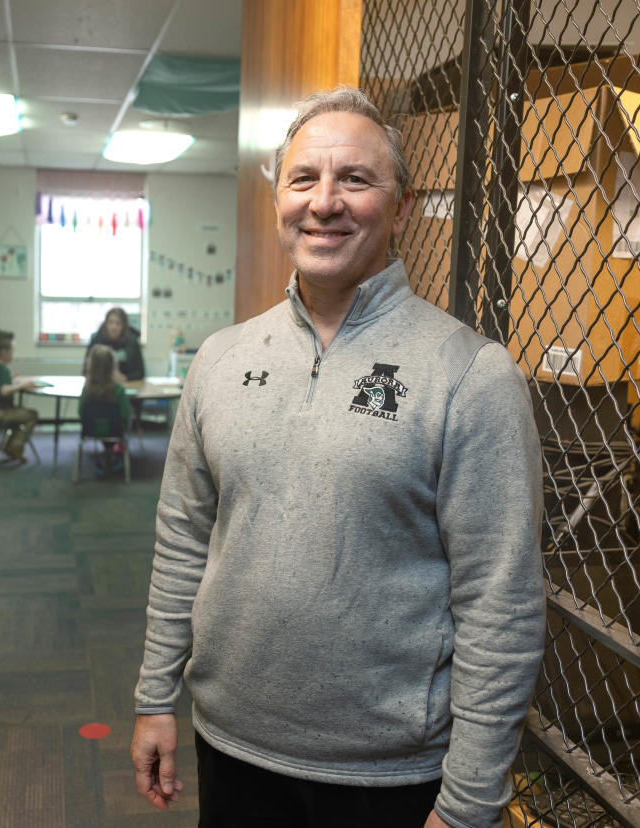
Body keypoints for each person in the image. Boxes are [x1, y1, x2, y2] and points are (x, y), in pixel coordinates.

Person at [130, 87, 545, 828]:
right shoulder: (221, 360)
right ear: (279, 199)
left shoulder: (471, 375)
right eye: (303, 179)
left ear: (402, 207)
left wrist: (473, 798)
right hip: (230, 747)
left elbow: (500, 603)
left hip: (390, 780)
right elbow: (182, 543)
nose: (324, 202)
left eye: (355, 179)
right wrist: (155, 697)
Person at [0, 329, 38, 465]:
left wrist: (12, 378)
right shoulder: (2, 370)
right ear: (3, 352)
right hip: (2, 412)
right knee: (31, 415)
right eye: (12, 350)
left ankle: (9, 446)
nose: (13, 353)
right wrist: (21, 386)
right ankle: (14, 447)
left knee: (20, 415)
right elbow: (3, 390)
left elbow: (0, 384)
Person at [80, 344, 134, 474]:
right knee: (120, 423)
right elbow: (126, 414)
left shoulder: (86, 390)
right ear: (112, 366)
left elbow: (80, 412)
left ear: (91, 366)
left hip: (90, 430)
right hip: (116, 430)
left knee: (103, 423)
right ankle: (113, 455)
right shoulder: (119, 390)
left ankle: (106, 455)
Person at [87, 307, 145, 382]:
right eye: (110, 322)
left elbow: (140, 372)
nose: (114, 327)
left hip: (126, 385)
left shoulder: (132, 342)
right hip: (101, 385)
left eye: (118, 323)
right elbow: (86, 370)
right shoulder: (97, 341)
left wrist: (126, 377)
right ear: (106, 324)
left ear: (124, 326)